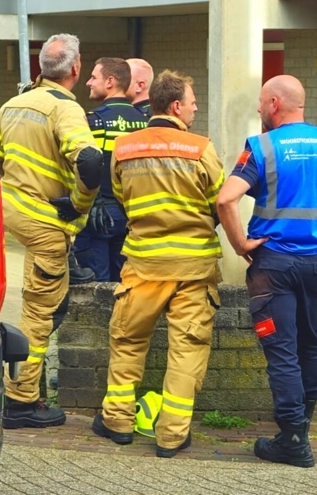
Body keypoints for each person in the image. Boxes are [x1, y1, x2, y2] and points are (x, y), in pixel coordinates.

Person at [216, 75, 317, 468]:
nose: (259, 108)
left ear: (274, 104)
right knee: (310, 346)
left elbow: (226, 200)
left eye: (261, 102)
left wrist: (240, 245)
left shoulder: (263, 147)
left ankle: (293, 441)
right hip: (316, 265)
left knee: (282, 352)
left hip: (274, 267)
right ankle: (301, 431)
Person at [91, 70, 225, 459]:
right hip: (193, 267)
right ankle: (172, 435)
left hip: (143, 265)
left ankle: (117, 421)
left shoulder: (125, 147)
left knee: (128, 342)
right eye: (193, 102)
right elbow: (219, 202)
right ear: (176, 106)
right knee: (187, 348)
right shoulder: (201, 148)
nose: (196, 108)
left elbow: (121, 197)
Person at [0, 34, 103, 429]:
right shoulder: (65, 108)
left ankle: (6, 385)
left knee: (21, 304)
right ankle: (21, 401)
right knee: (40, 314)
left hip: (8, 216)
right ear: (76, 68)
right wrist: (79, 204)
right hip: (44, 224)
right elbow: (90, 162)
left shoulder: (12, 104)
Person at [72, 58, 149, 282]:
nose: (88, 82)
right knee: (125, 281)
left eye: (93, 77)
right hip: (133, 214)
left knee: (96, 283)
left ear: (110, 82)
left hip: (100, 215)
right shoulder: (145, 122)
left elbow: (89, 166)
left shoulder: (95, 121)